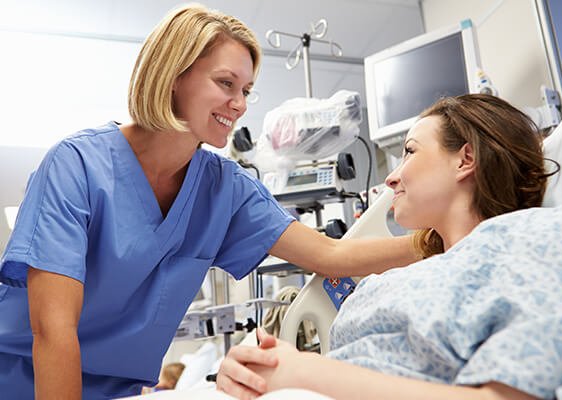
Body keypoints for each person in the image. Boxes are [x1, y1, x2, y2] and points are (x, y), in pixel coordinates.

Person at [0, 4, 418, 399]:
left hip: (119, 392)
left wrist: (441, 240)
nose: (239, 105)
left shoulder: (225, 189)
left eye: (246, 90)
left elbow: (330, 255)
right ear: (174, 75)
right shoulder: (76, 167)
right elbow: (53, 331)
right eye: (225, 84)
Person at [217, 94, 562, 399]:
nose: (392, 178)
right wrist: (254, 370)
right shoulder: (395, 280)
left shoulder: (537, 239)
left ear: (466, 159)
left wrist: (304, 373)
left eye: (410, 151)